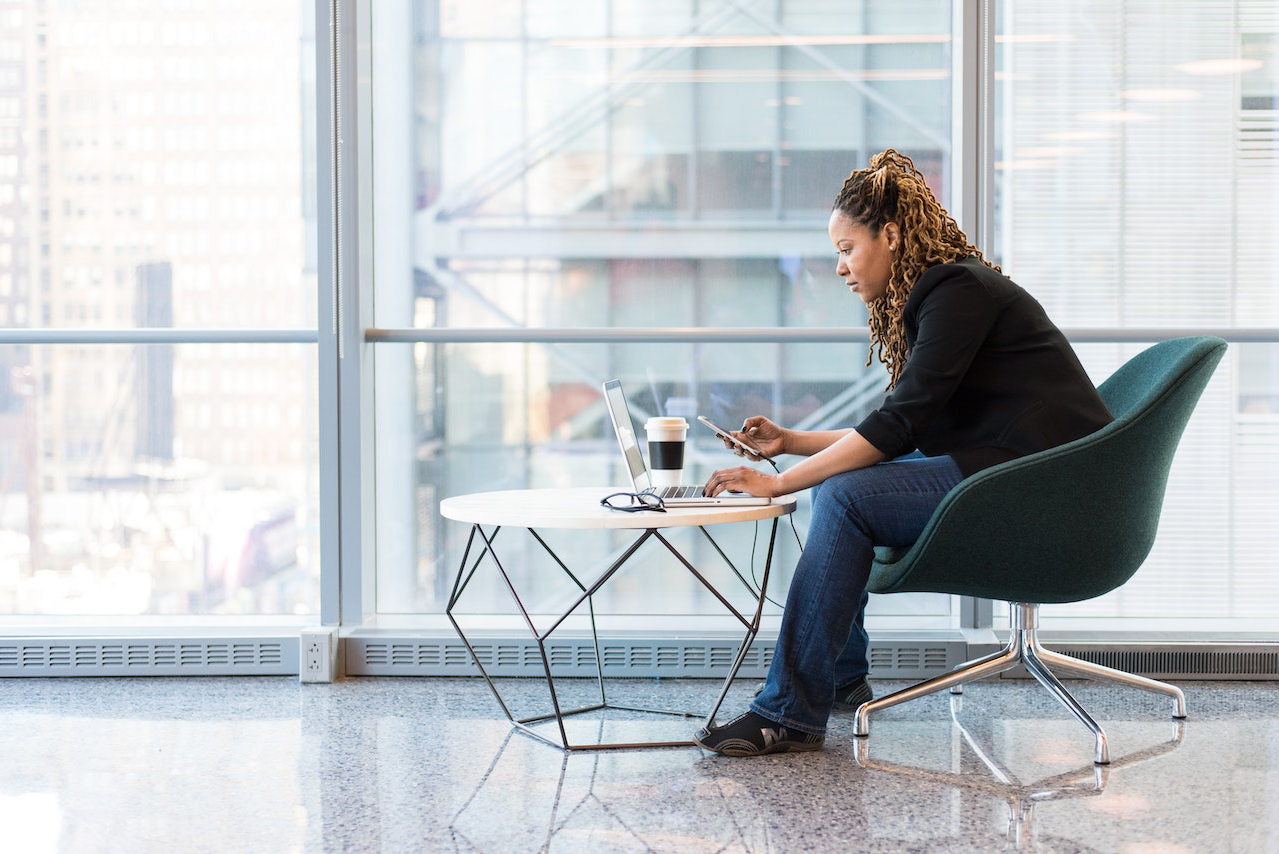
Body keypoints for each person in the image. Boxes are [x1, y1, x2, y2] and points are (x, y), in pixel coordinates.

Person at [692, 149, 1113, 757]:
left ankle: (788, 711)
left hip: (1046, 486)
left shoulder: (956, 291)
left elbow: (896, 426)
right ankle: (837, 680)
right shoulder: (947, 293)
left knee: (843, 493)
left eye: (846, 248)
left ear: (889, 235)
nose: (839, 267)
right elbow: (901, 426)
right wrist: (790, 444)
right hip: (1019, 470)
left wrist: (781, 482)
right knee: (845, 485)